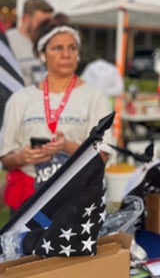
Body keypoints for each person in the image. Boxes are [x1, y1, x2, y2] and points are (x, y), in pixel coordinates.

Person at [0, 15, 113, 211]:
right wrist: (23, 157)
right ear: (42, 54)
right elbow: (6, 159)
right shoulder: (21, 99)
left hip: (75, 198)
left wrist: (68, 147)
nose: (66, 54)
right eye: (57, 48)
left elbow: (102, 157)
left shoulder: (96, 97)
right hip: (29, 200)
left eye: (72, 48)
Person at [6, 0, 53, 85]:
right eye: (41, 23)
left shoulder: (50, 42)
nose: (45, 27)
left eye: (48, 23)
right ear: (25, 19)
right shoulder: (7, 42)